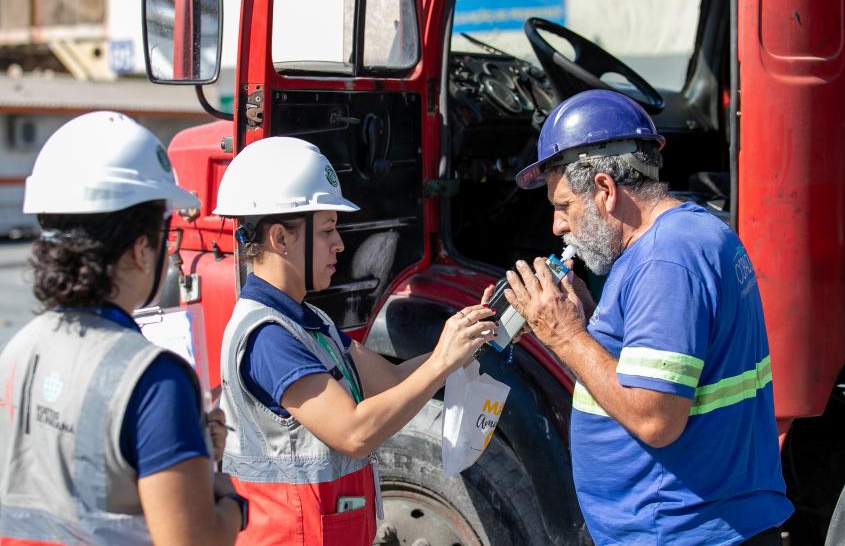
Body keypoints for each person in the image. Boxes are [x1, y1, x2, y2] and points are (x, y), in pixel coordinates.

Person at [504, 90, 794, 545]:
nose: (557, 226)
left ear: (604, 190)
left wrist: (565, 335)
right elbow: (651, 364)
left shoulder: (665, 261)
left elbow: (655, 418)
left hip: (679, 531)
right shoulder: (690, 233)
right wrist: (587, 320)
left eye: (563, 206)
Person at [212, 136, 496, 545]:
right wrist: (440, 362)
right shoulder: (268, 338)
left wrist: (470, 338)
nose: (340, 244)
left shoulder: (312, 323)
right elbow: (354, 432)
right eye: (327, 230)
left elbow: (393, 382)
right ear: (280, 238)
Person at [0, 111, 246, 545]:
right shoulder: (155, 379)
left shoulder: (19, 349)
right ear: (142, 248)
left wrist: (182, 446)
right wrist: (227, 500)